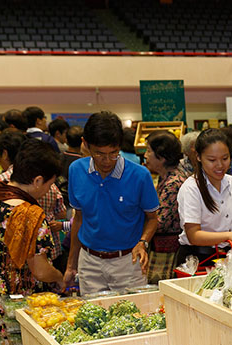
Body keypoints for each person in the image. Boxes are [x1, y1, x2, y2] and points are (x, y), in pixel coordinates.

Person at [64, 111, 160, 294]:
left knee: (132, 317)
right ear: (85, 145)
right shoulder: (76, 170)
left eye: (113, 153)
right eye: (99, 154)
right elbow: (79, 219)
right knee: (93, 316)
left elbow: (153, 218)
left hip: (128, 262)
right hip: (89, 262)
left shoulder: (140, 175)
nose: (107, 161)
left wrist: (143, 242)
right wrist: (71, 264)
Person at [0, 140, 66, 313]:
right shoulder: (30, 215)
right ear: (38, 180)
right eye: (50, 185)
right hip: (18, 295)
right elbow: (40, 271)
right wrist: (58, 276)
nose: (49, 190)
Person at [179, 128, 232, 256]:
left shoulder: (231, 182)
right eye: (212, 160)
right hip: (199, 257)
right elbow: (194, 235)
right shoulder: (191, 188)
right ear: (198, 157)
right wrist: (229, 235)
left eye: (225, 158)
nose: (220, 165)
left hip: (228, 256)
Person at [142, 130, 187, 282]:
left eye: (149, 151)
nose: (145, 156)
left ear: (161, 157)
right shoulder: (169, 177)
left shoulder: (173, 183)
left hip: (168, 253)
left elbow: (160, 222)